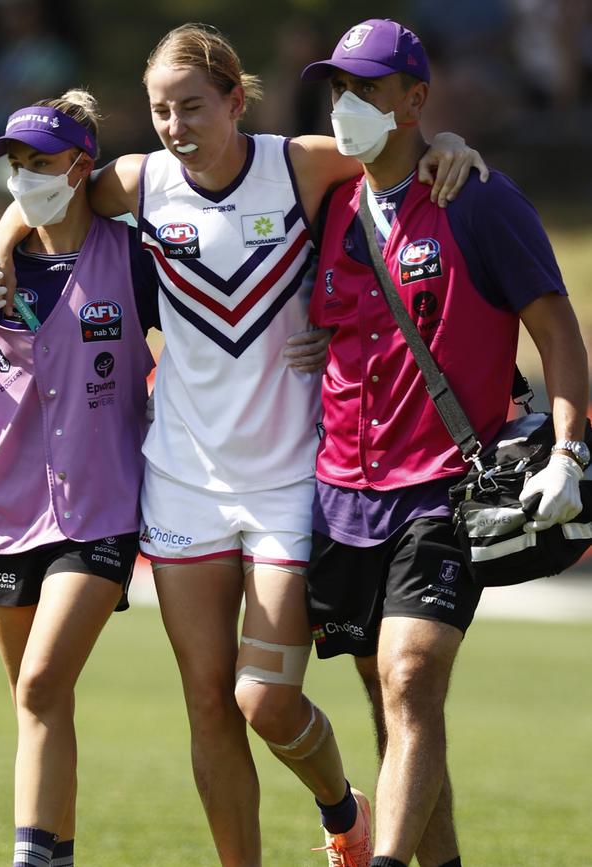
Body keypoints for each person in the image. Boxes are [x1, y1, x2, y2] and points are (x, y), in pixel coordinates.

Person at [0, 23, 488, 867]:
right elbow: (46, 186)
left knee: (265, 698)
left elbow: (392, 149)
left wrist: (451, 145)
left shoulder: (301, 163)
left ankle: (339, 807)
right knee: (207, 703)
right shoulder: (137, 182)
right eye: (158, 110)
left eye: (189, 106)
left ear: (232, 100)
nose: (174, 124)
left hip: (290, 480)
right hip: (181, 480)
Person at [300, 18, 589, 867]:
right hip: (342, 492)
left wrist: (569, 449)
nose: (348, 105)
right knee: (390, 703)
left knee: (410, 678)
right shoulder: (332, 206)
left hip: (443, 489)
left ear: (415, 101)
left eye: (368, 90)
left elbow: (559, 330)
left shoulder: (478, 197)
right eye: (339, 89)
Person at [0, 89, 159, 867]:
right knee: (38, 701)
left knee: (39, 684)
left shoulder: (133, 259)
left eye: (40, 163)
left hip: (99, 511)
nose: (25, 178)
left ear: (80, 166)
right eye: (16, 164)